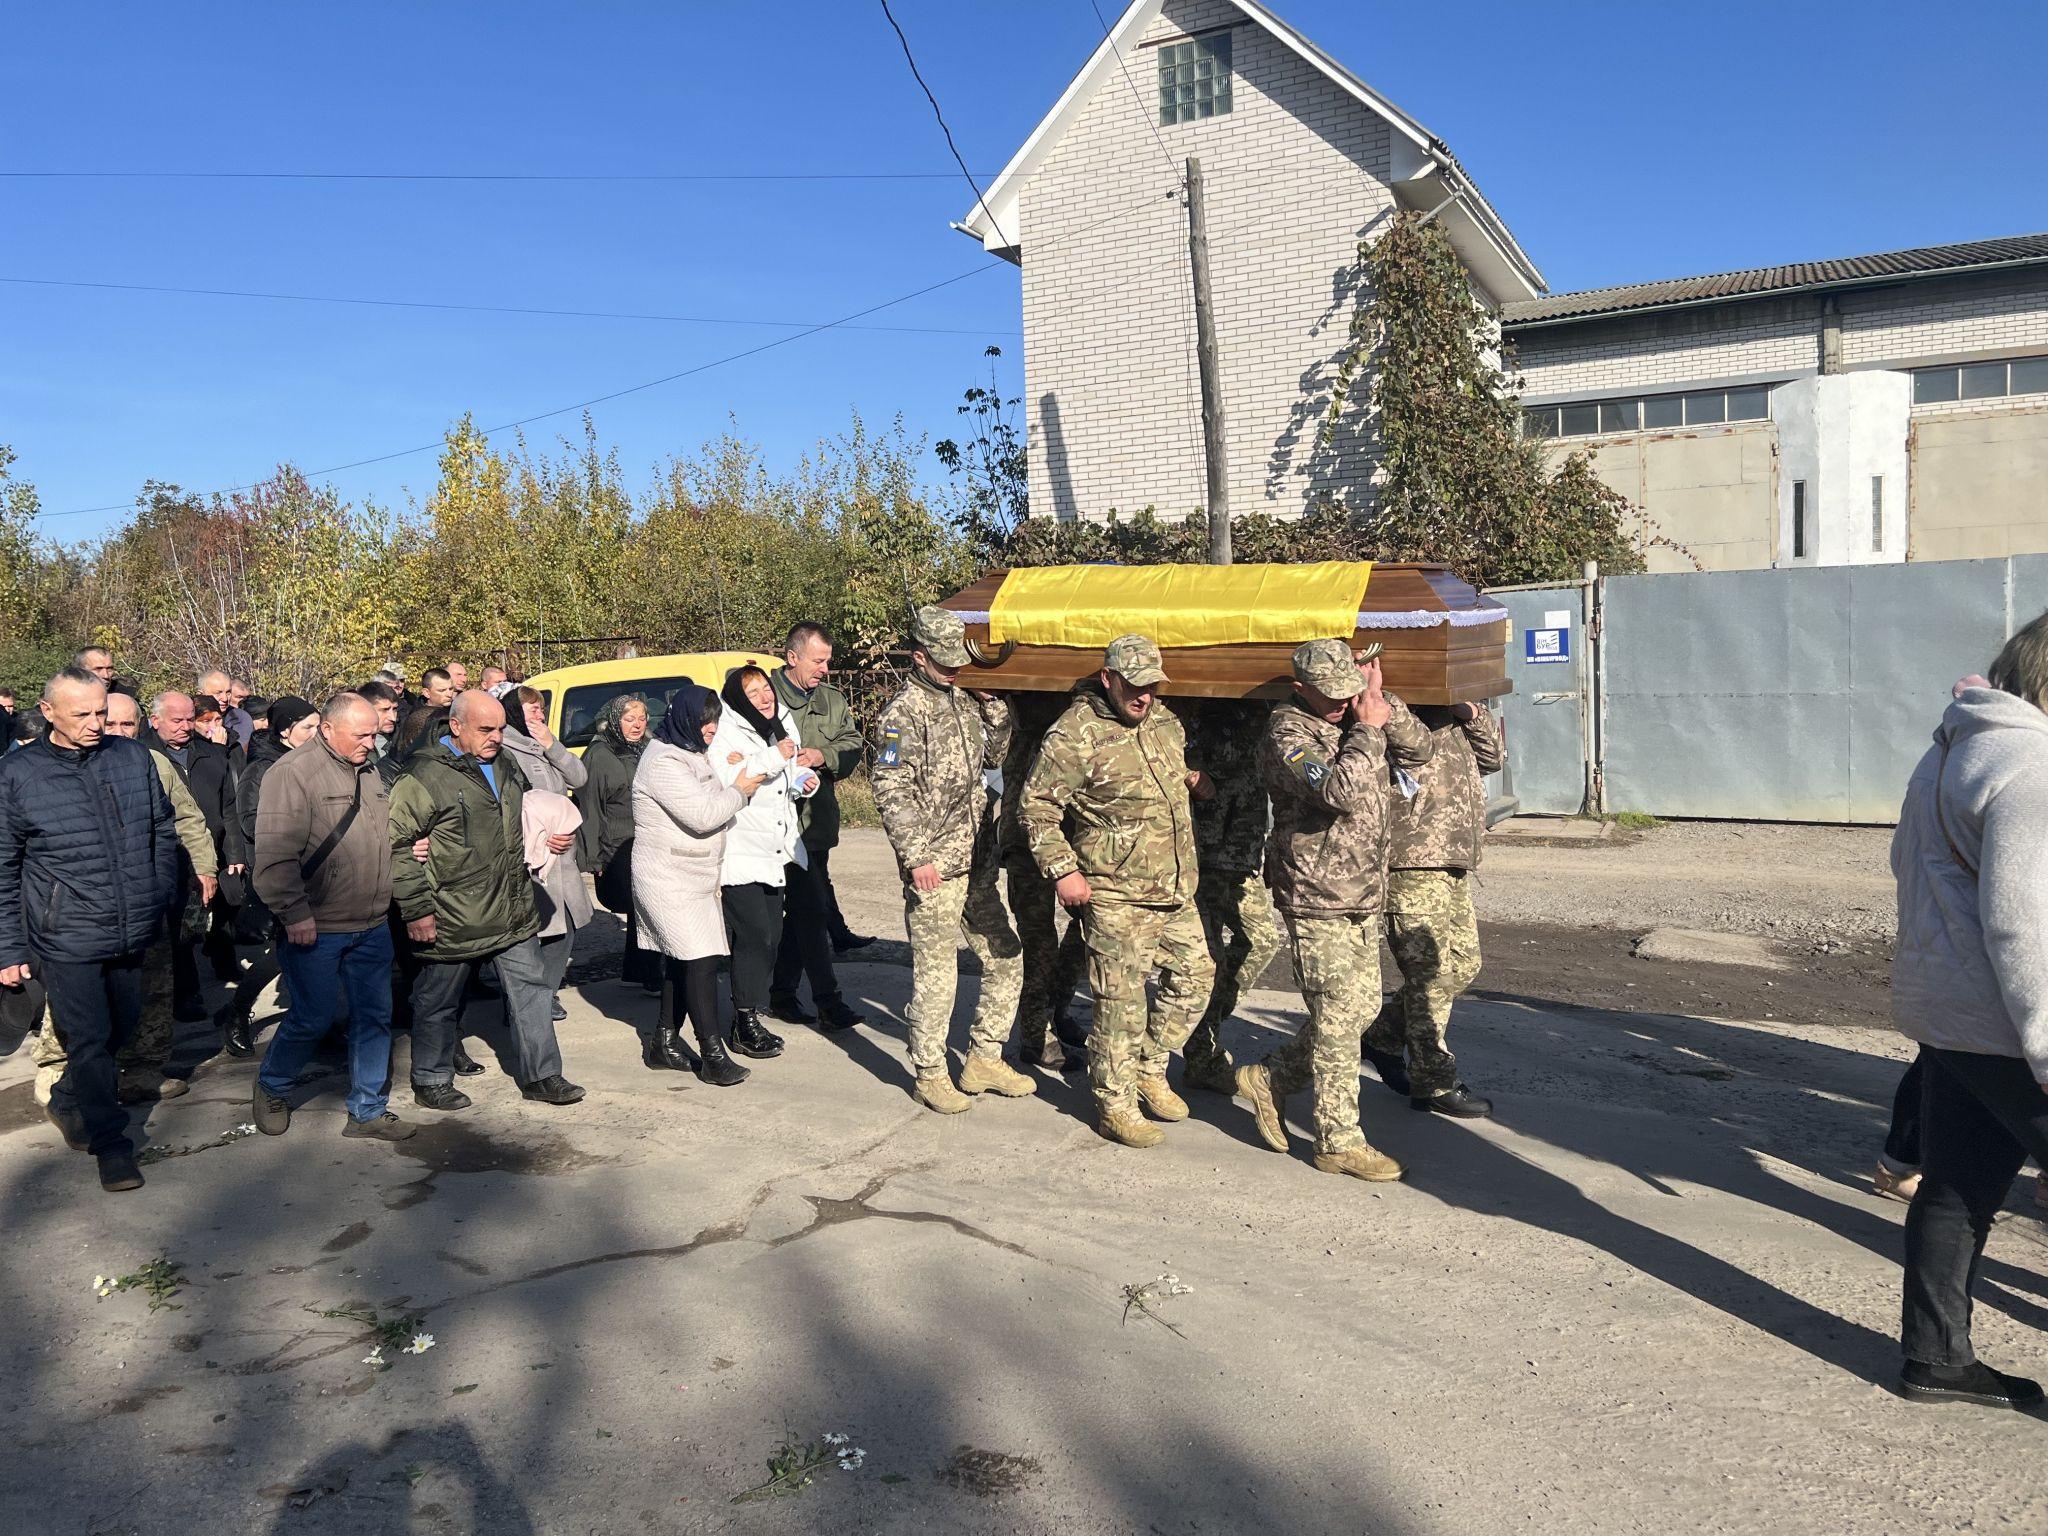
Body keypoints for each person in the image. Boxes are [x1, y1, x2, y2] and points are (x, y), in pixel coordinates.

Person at [1889, 615, 2048, 1411]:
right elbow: (2026, 925)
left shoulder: (1952, 744)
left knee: (1956, 1187)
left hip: (1949, 1016)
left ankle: (1937, 1358)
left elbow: (1907, 865)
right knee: (1957, 1188)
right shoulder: (2032, 765)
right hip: (2013, 1028)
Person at [1235, 642, 1431, 1181]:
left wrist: (1379, 703)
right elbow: (1340, 791)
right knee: (1341, 1015)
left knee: (1358, 1010)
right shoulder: (1287, 733)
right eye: (1332, 694)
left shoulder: (1362, 707)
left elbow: (1420, 751)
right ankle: (1338, 1140)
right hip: (1316, 893)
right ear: (1301, 689)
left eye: (1349, 689)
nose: (1344, 702)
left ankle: (1271, 1077)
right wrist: (1367, 730)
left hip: (1366, 888)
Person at [1020, 635, 1214, 1148]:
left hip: (1172, 886)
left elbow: (1168, 779)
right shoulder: (1073, 733)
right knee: (1119, 1003)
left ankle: (1149, 1067)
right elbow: (1036, 809)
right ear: (1108, 678)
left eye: (1152, 686)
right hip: (1113, 892)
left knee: (1196, 977)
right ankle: (1114, 1102)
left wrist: (1194, 781)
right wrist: (1063, 871)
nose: (1144, 696)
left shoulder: (1164, 722)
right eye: (1135, 685)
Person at [0, 668, 179, 1191]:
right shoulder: (17, 775)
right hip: (66, 934)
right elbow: (4, 866)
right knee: (92, 1037)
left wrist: (157, 887)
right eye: (82, 714)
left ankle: (68, 1096)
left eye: (102, 712)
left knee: (120, 1028)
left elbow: (161, 827)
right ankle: (112, 1145)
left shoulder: (133, 758)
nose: (97, 724)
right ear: (47, 711)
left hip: (131, 925)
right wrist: (9, 945)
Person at [389, 689, 582, 1110]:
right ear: (455, 727)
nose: (496, 737)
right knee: (438, 1000)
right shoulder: (422, 776)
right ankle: (431, 1078)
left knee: (532, 992)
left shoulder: (506, 763)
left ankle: (543, 1075)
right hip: (453, 912)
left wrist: (549, 837)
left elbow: (527, 812)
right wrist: (417, 910)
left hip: (512, 905)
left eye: (500, 728)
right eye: (485, 729)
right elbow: (399, 847)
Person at [869, 608, 1030, 1112]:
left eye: (958, 662)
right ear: (919, 657)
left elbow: (993, 759)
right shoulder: (902, 714)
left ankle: (983, 1057)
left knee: (1006, 957)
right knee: (937, 977)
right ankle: (930, 1072)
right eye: (944, 663)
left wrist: (995, 710)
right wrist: (916, 856)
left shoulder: (961, 701)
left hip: (976, 862)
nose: (955, 670)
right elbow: (889, 786)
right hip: (935, 867)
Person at [31, 689, 216, 1108]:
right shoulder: (52, 768)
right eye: (106, 720)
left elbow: (185, 820)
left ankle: (143, 1070)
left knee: (152, 989)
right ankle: (60, 1074)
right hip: (79, 913)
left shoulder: (152, 763)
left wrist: (202, 868)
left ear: (141, 725)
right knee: (75, 1001)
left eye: (125, 723)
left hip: (144, 904)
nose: (112, 729)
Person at [249, 693, 415, 1142]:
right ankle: (272, 1085)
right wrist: (293, 913)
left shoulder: (372, 768)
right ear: (326, 729)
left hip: (373, 922)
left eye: (373, 731)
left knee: (374, 1017)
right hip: (316, 926)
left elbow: (384, 832)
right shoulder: (291, 774)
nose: (372, 739)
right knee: (313, 1017)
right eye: (360, 734)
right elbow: (275, 854)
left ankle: (367, 1110)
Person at [1360, 698, 1503, 1118]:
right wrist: (1397, 700)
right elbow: (1413, 749)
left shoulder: (1452, 705)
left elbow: (1492, 759)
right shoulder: (1386, 704)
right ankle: (1433, 1081)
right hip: (1412, 858)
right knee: (1430, 975)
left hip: (1456, 857)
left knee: (1463, 965)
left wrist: (1471, 714)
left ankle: (1383, 1037)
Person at [632, 683, 762, 1085]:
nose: (711, 728)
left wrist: (737, 790)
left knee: (680, 958)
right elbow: (704, 815)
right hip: (668, 878)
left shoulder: (690, 752)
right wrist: (740, 792)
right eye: (705, 720)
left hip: (694, 876)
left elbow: (713, 801)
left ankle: (664, 1043)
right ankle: (711, 1054)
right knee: (701, 959)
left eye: (715, 720)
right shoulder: (663, 763)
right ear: (686, 718)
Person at [712, 665, 817, 1062]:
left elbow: (789, 774)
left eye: (765, 688)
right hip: (739, 849)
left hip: (776, 847)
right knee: (754, 935)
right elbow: (731, 779)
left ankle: (751, 1010)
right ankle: (743, 1021)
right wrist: (773, 756)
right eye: (752, 691)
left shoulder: (779, 722)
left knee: (771, 934)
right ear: (739, 699)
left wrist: (805, 779)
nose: (763, 696)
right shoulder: (726, 731)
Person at [767, 621, 868, 1030]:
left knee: (805, 911)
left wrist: (821, 755)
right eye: (818, 660)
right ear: (793, 658)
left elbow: (852, 744)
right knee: (808, 909)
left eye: (828, 660)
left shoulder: (831, 700)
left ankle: (782, 995)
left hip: (815, 825)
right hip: (772, 828)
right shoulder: (761, 698)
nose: (825, 668)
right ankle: (827, 1001)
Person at [1180, 700, 1281, 1095]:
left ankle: (1201, 1028)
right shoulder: (1193, 703)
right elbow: (1147, 746)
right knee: (1208, 959)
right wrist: (1185, 773)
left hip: (1243, 849)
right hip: (1200, 850)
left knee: (1260, 942)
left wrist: (1272, 848)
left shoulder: (1265, 708)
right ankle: (1198, 1055)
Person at [216, 695, 318, 1056]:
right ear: (287, 730)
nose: (316, 733)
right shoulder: (262, 769)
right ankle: (238, 1010)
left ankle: (312, 1023)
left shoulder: (309, 762)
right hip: (281, 872)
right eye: (308, 727)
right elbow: (250, 822)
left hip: (315, 871)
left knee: (310, 952)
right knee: (283, 951)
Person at [1000, 690, 1088, 1072]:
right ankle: (1035, 1037)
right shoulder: (1025, 714)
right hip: (1026, 844)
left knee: (1085, 932)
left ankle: (1058, 1009)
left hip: (1077, 840)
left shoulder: (1079, 719)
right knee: (1038, 943)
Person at [497, 686, 591, 1025]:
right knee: (538, 933)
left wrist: (553, 745)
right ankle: (524, 1001)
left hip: (563, 857)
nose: (539, 715)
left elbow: (578, 777)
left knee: (566, 928)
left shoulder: (543, 744)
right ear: (513, 713)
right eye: (532, 710)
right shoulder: (504, 747)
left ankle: (545, 993)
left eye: (541, 709)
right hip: (534, 858)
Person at [142, 691, 236, 1020]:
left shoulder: (211, 755)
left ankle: (187, 993)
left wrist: (212, 862)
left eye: (188, 719)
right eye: (176, 720)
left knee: (187, 930)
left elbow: (216, 811)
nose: (185, 726)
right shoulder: (147, 755)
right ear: (155, 721)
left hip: (199, 852)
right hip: (158, 861)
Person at [575, 693, 660, 989]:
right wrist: (593, 858)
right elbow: (590, 809)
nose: (637, 725)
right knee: (644, 908)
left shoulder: (647, 747)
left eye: (641, 718)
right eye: (629, 719)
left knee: (646, 909)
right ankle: (648, 976)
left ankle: (640, 973)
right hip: (618, 845)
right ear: (614, 721)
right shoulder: (600, 755)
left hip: (648, 840)